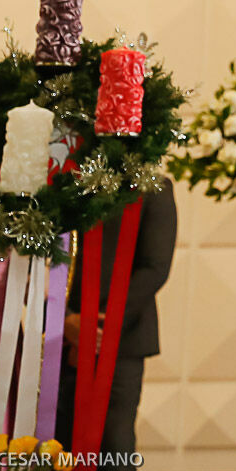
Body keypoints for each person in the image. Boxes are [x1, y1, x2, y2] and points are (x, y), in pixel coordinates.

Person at [57, 176, 178, 454]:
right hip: (60, 337)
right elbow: (43, 263)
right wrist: (65, 320)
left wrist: (97, 324)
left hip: (121, 339)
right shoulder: (65, 182)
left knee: (114, 445)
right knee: (58, 445)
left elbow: (155, 267)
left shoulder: (153, 187)